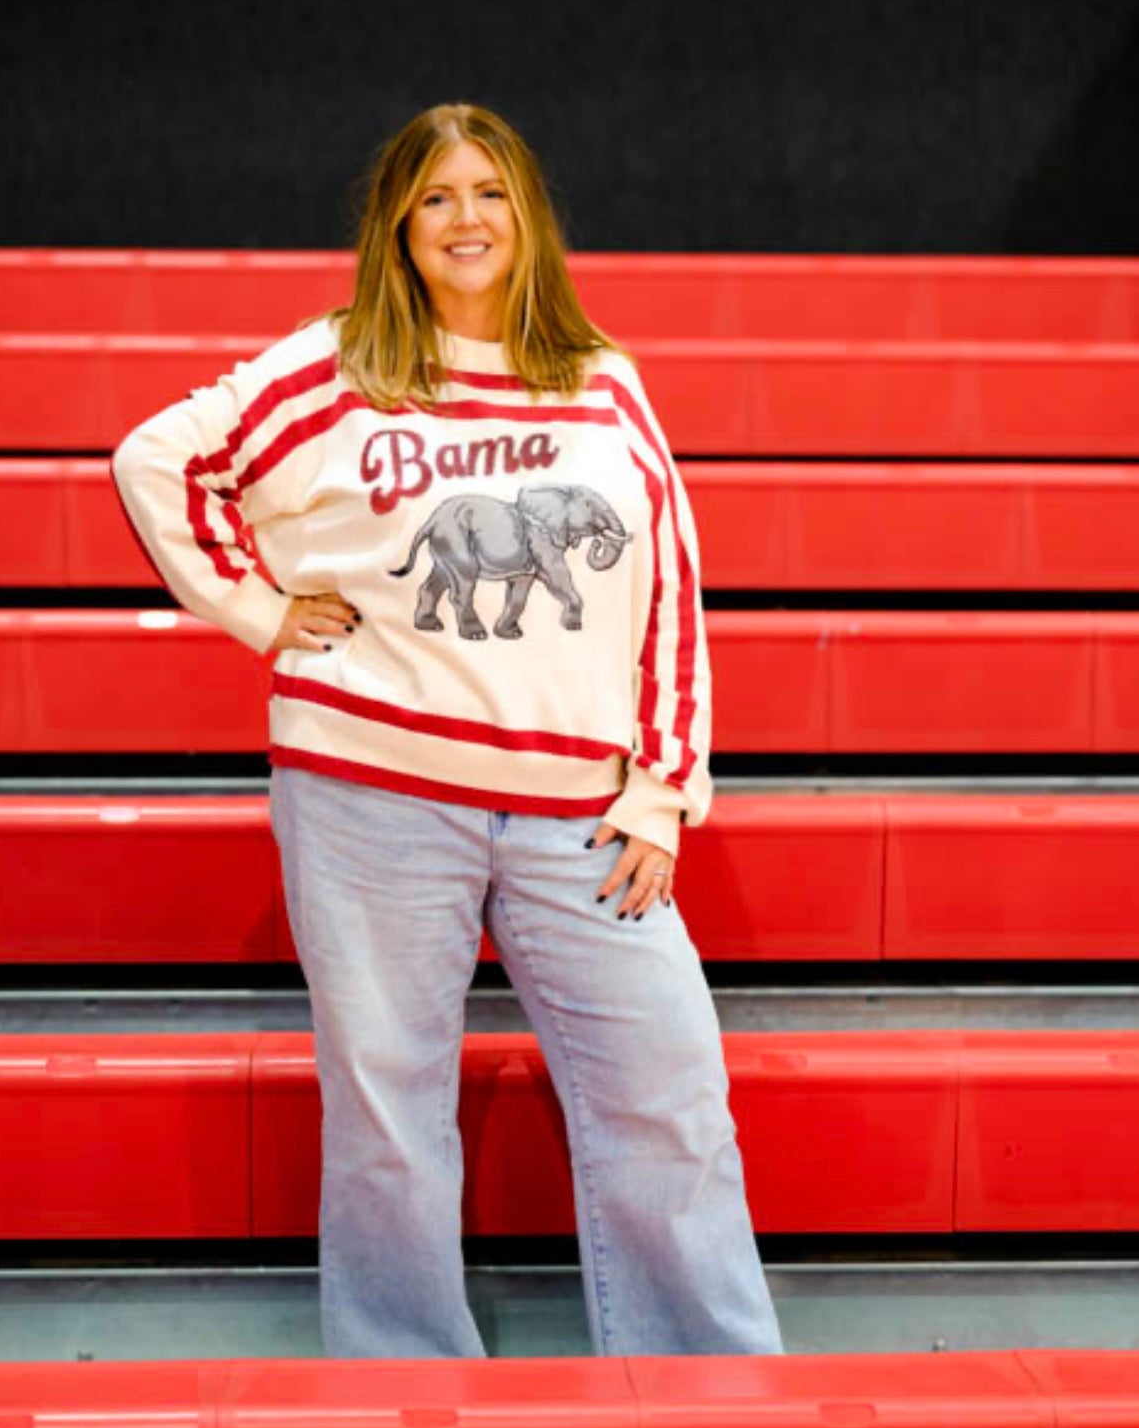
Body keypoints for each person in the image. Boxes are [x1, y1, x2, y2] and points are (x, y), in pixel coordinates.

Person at [111, 101, 783, 1360]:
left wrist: (662, 789)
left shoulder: (600, 380)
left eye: (488, 192)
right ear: (398, 226)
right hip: (369, 794)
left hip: (579, 807)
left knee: (670, 1088)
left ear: (526, 213)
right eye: (435, 197)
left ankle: (707, 1385)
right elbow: (159, 460)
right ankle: (402, 1384)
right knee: (387, 1102)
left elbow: (667, 591)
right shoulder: (332, 368)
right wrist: (256, 611)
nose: (465, 219)